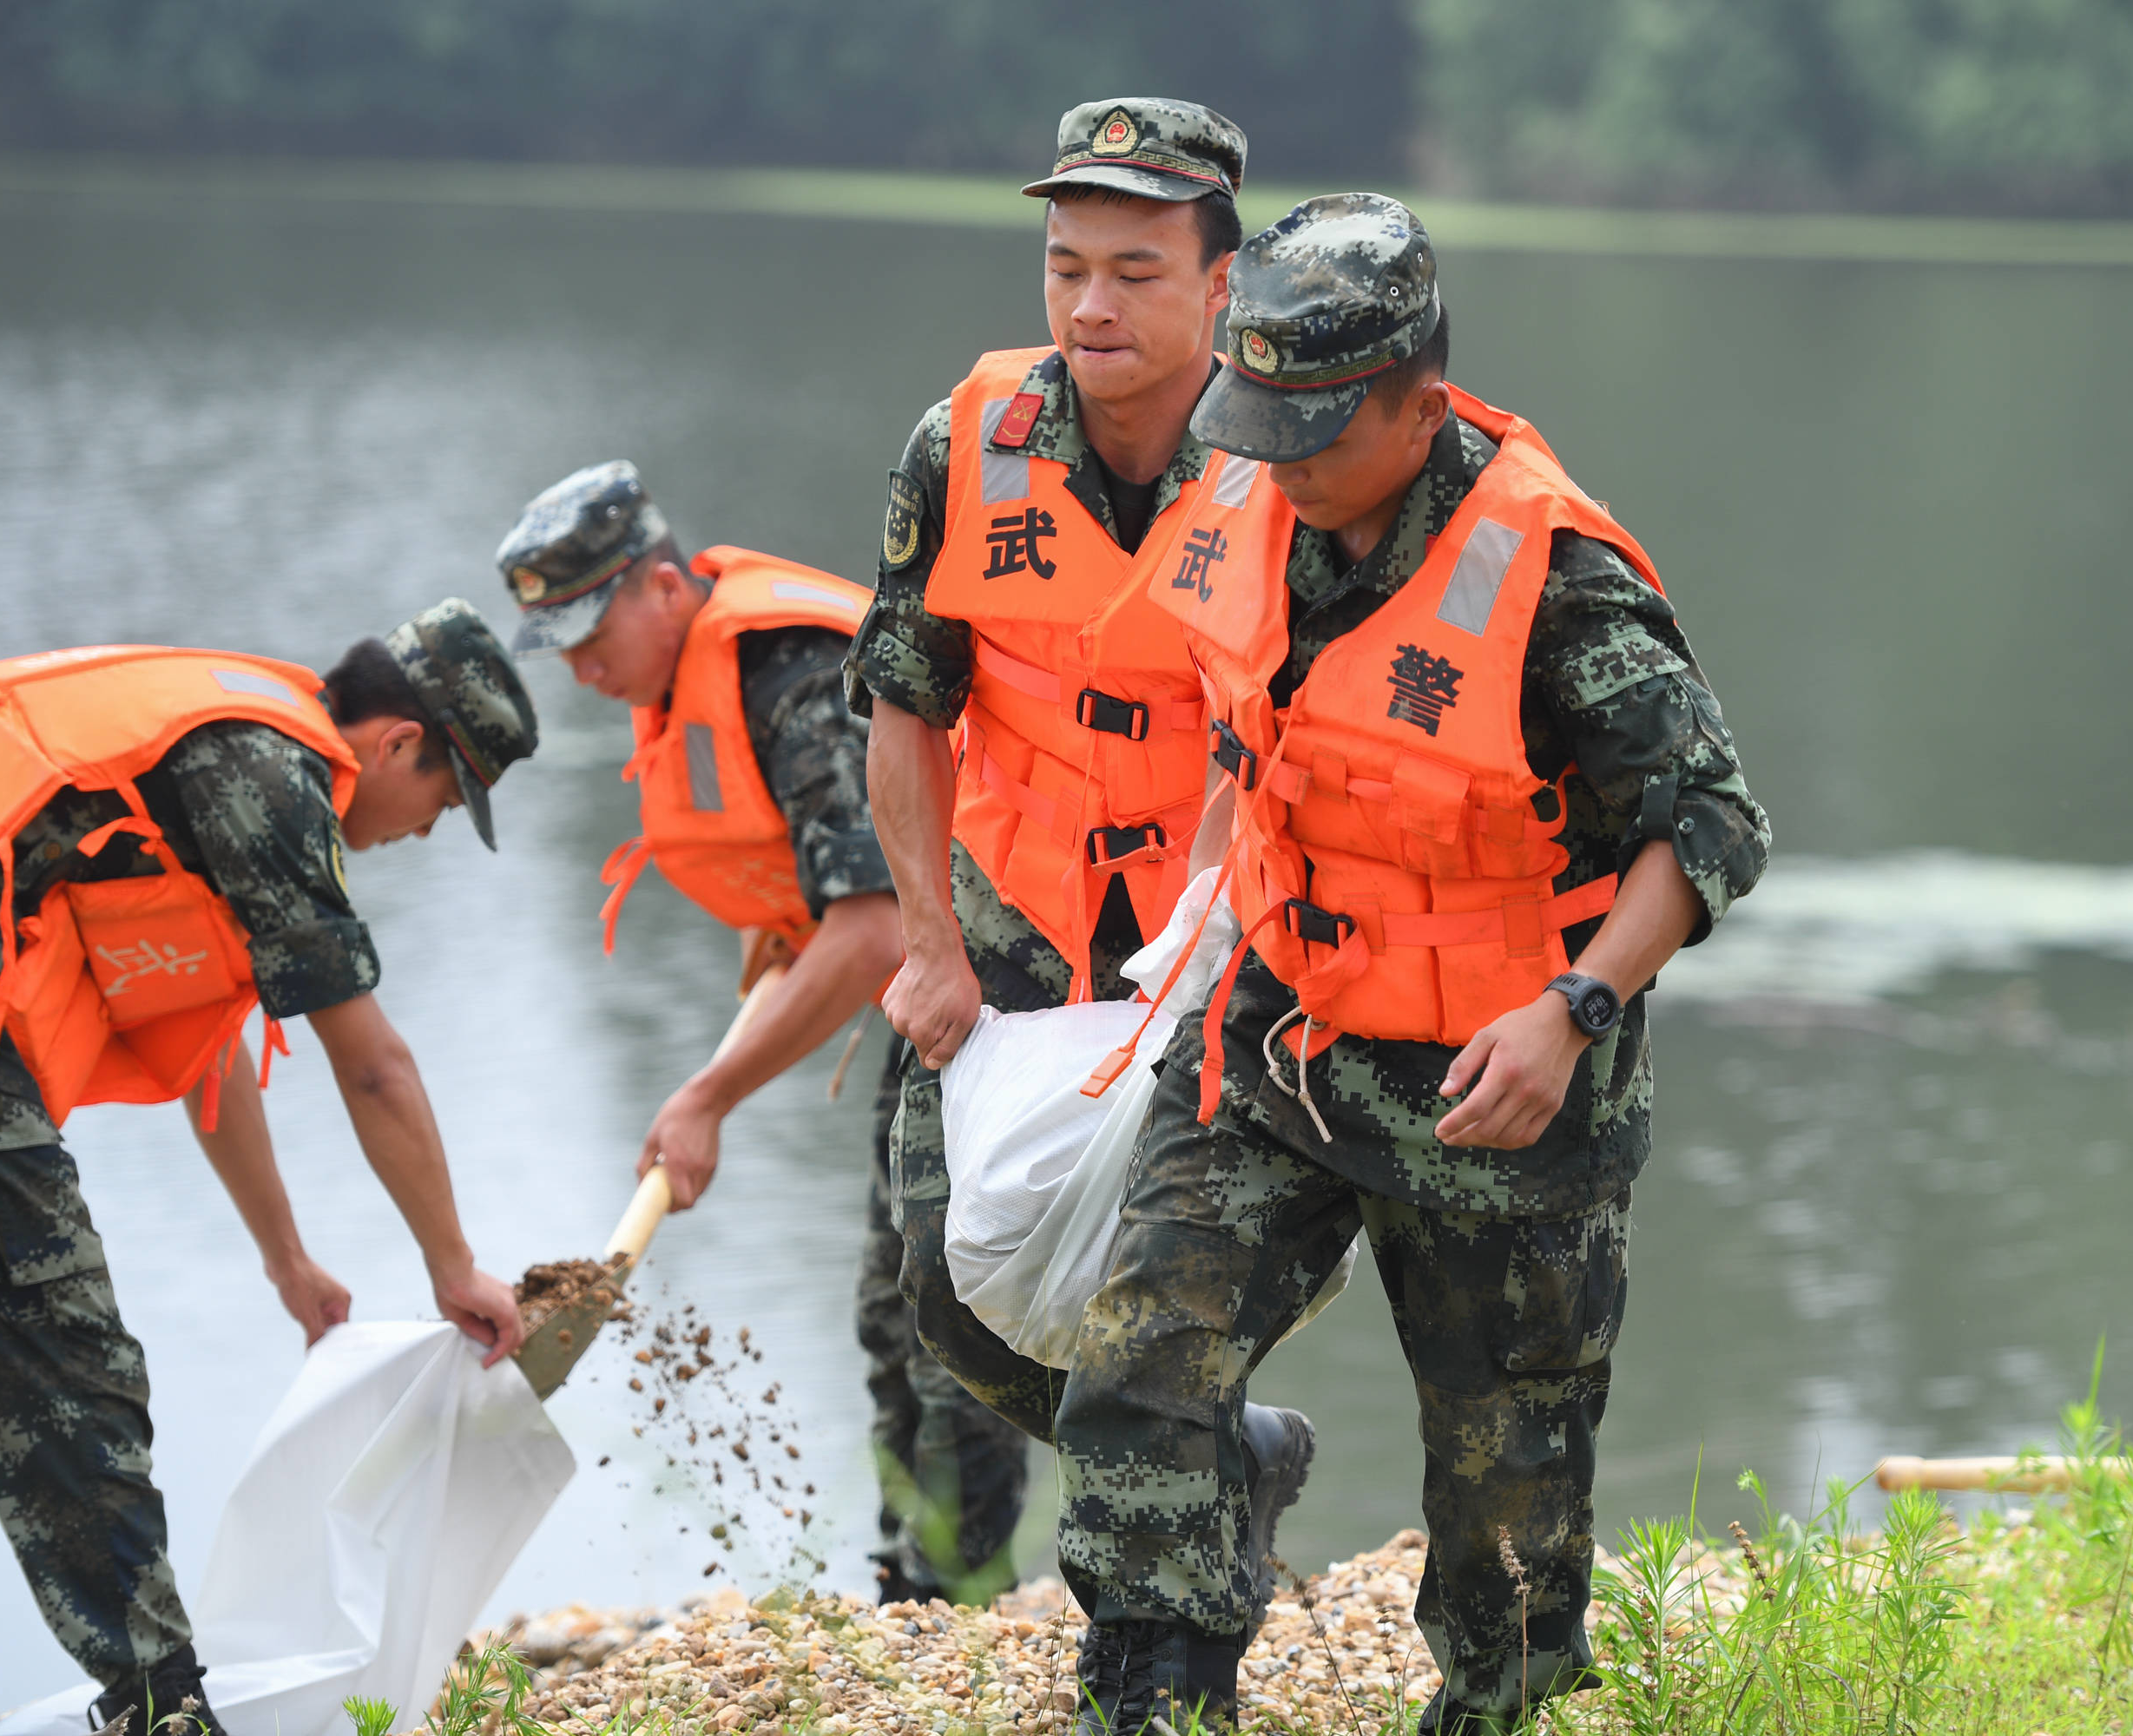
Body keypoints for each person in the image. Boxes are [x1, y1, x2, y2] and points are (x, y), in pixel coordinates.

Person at [1052, 194, 1774, 1733]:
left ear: (1421, 407)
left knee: (1506, 1520)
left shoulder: (1554, 578)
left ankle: (1498, 1709)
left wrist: (1574, 1013)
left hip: (1497, 1090)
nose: (1281, 465)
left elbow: (1714, 825)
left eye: (1316, 434)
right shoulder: (1253, 490)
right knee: (1139, 1366)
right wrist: (1204, 906)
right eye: (1259, 426)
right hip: (1286, 1039)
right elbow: (1251, 720)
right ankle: (1159, 1692)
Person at [0, 602, 539, 1736]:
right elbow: (374, 1067)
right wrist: (454, 1265)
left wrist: (286, 1259)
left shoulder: (214, 750)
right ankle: (160, 1710)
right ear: (398, 743)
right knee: (63, 1365)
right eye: (447, 800)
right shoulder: (273, 778)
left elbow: (199, 1044)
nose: (427, 832)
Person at [846, 94, 1316, 1642]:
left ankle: (1168, 1622)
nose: (1091, 306)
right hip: (1006, 921)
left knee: (1166, 1295)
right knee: (944, 1285)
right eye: (1065, 268)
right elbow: (903, 707)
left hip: (1205, 940)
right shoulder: (964, 443)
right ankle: (1218, 1454)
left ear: (1222, 284)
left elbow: (1298, 728)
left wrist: (1222, 952)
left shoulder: (1287, 458)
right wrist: (927, 943)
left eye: (1134, 271)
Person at [496, 460, 1028, 1602]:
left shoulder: (786, 673)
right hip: (933, 984)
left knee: (950, 1297)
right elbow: (833, 892)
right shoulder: (693, 682)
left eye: (591, 633)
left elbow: (874, 929)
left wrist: (708, 1098)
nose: (582, 669)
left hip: (1008, 968)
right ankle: (916, 1577)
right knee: (895, 1304)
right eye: (561, 647)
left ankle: (960, 1593)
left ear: (659, 587)